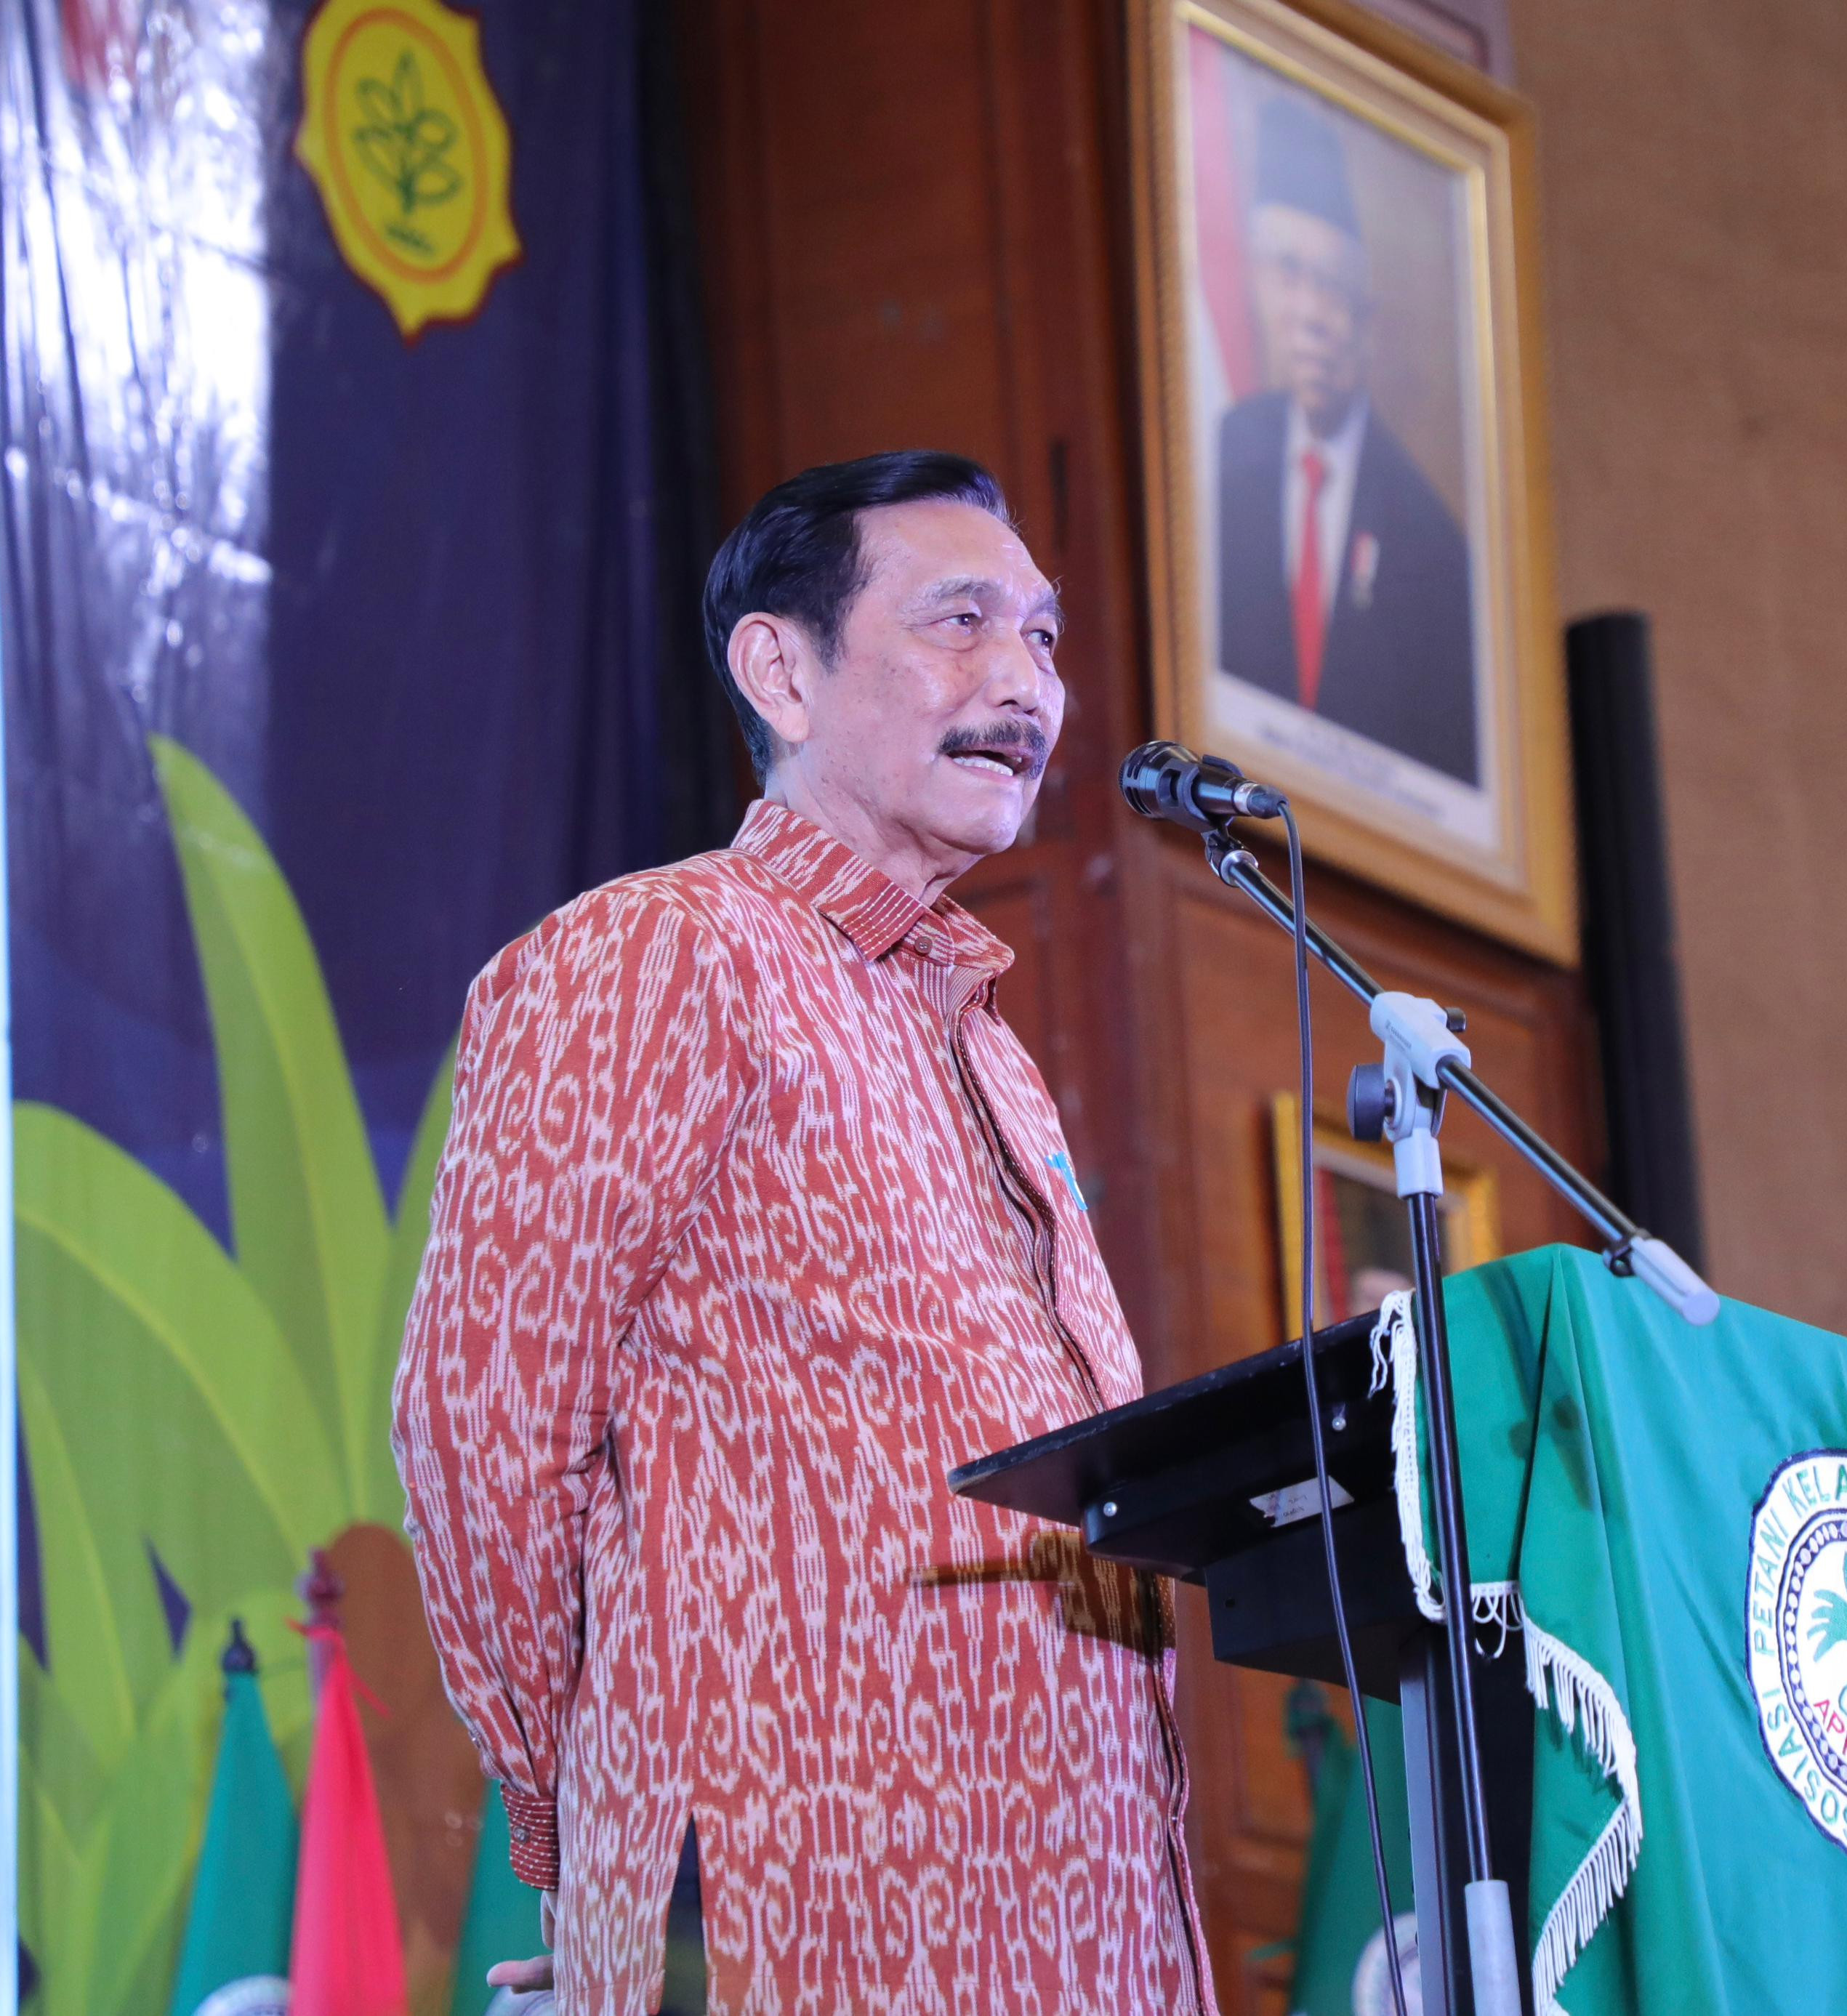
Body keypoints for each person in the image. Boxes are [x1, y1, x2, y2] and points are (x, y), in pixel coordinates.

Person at [395, 451, 1218, 2015]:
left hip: (1081, 1892)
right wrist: (583, 1810)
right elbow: (482, 1424)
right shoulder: (656, 952)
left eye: (1041, 637)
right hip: (799, 1874)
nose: (1023, 681)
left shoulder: (991, 1051)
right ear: (779, 667)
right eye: (957, 622)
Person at [1215, 94, 1481, 785]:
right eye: (1289, 276)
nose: (1310, 317)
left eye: (1333, 288)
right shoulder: (1215, 459)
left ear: (1369, 323)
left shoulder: (1434, 546)